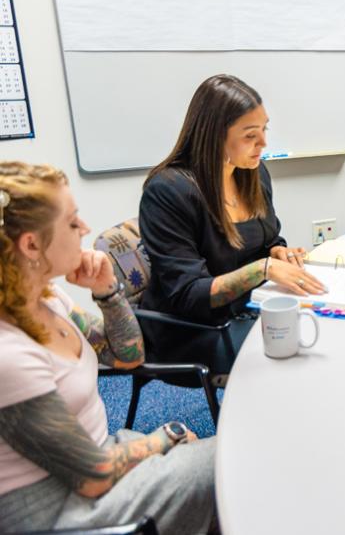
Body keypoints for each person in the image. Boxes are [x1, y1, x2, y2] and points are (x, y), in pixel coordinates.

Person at [0, 162, 215, 533]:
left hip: (91, 461)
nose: (85, 229)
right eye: (72, 222)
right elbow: (94, 474)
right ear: (31, 243)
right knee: (226, 461)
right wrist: (171, 433)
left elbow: (128, 356)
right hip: (61, 507)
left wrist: (107, 291)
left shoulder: (47, 301)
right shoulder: (9, 354)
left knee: (217, 467)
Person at [139, 74, 323, 377]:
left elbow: (267, 239)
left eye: (264, 130)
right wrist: (262, 269)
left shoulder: (252, 172)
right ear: (214, 135)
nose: (263, 142)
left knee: (316, 333)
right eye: (250, 135)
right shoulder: (168, 191)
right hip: (191, 329)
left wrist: (278, 253)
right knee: (293, 355)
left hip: (248, 308)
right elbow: (188, 295)